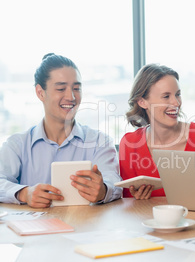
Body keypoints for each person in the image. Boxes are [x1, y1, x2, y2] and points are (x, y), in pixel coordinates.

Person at [0, 53, 122, 208]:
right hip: (36, 229)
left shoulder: (100, 142)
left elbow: (115, 183)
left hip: (85, 228)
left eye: (76, 88)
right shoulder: (16, 145)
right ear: (40, 93)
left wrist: (103, 190)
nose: (71, 96)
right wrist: (24, 193)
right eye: (61, 88)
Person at [119, 63, 195, 199]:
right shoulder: (130, 144)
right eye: (166, 96)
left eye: (178, 94)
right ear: (142, 102)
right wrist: (137, 201)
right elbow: (126, 204)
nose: (176, 103)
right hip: (150, 220)